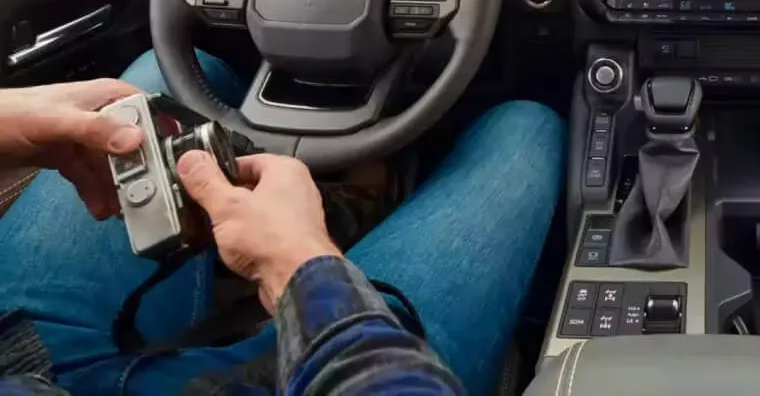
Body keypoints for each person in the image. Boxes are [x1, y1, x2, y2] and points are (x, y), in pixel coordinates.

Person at [0, 52, 565, 396]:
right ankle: (339, 214)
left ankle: (346, 209)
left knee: (160, 77)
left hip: (17, 358)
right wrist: (299, 267)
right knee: (525, 125)